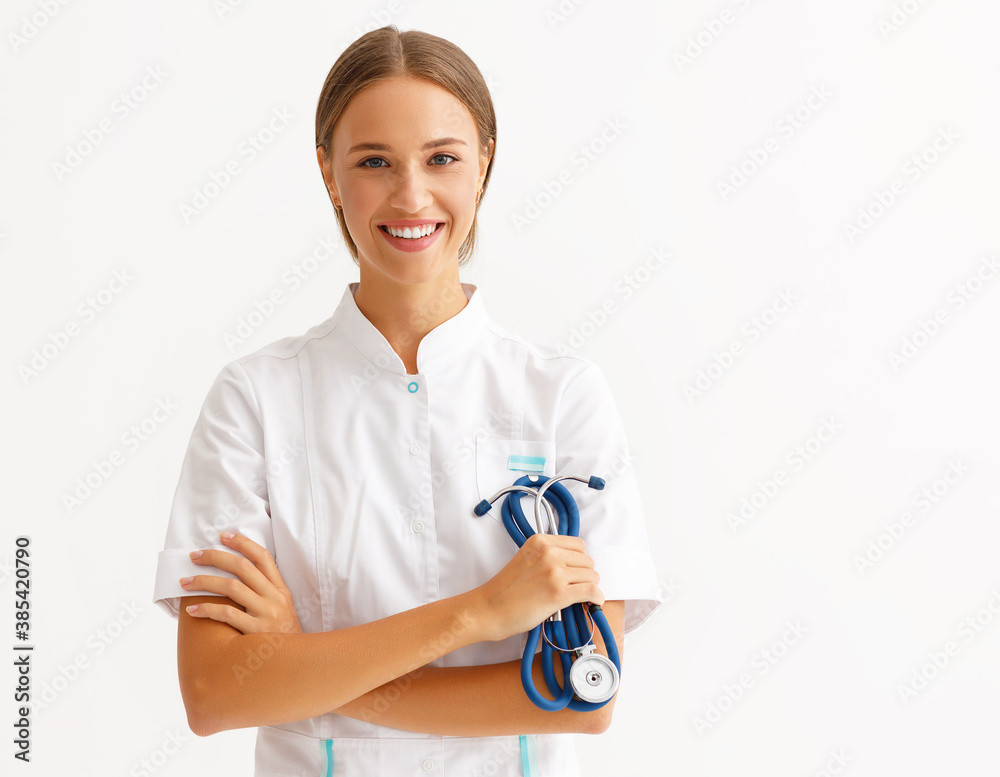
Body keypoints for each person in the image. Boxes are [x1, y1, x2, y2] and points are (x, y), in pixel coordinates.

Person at [152, 24, 662, 776]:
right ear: (329, 172)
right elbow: (215, 692)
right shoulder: (253, 400)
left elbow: (584, 691)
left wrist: (299, 667)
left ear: (483, 164)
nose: (411, 195)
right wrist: (479, 615)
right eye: (374, 162)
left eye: (442, 158)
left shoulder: (563, 395)